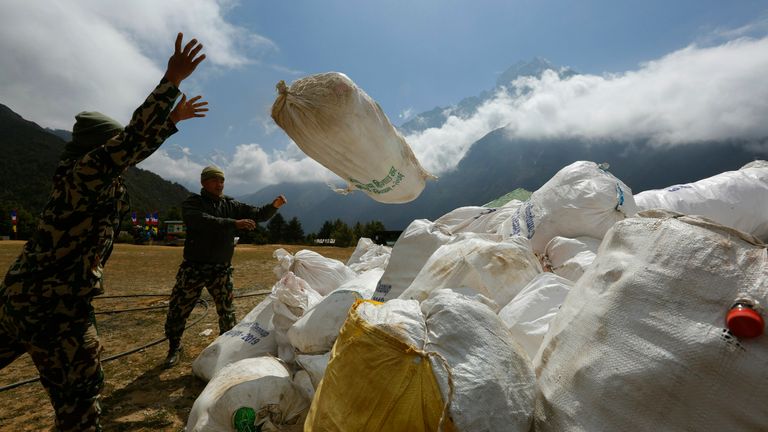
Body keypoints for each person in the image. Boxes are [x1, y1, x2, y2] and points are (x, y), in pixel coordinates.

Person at [0, 33, 208, 431]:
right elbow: (130, 142)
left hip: (19, 297)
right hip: (57, 311)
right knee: (81, 407)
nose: (122, 153)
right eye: (111, 146)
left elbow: (134, 147)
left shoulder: (88, 175)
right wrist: (170, 81)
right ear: (98, 148)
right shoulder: (86, 173)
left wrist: (171, 121)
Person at [162, 166, 286, 368]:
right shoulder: (194, 203)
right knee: (178, 310)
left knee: (227, 313)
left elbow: (258, 214)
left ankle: (226, 349)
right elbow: (201, 221)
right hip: (194, 267)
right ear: (204, 183)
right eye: (214, 181)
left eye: (222, 181)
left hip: (221, 269)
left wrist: (274, 206)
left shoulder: (230, 204)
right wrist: (234, 223)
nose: (219, 184)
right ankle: (174, 347)